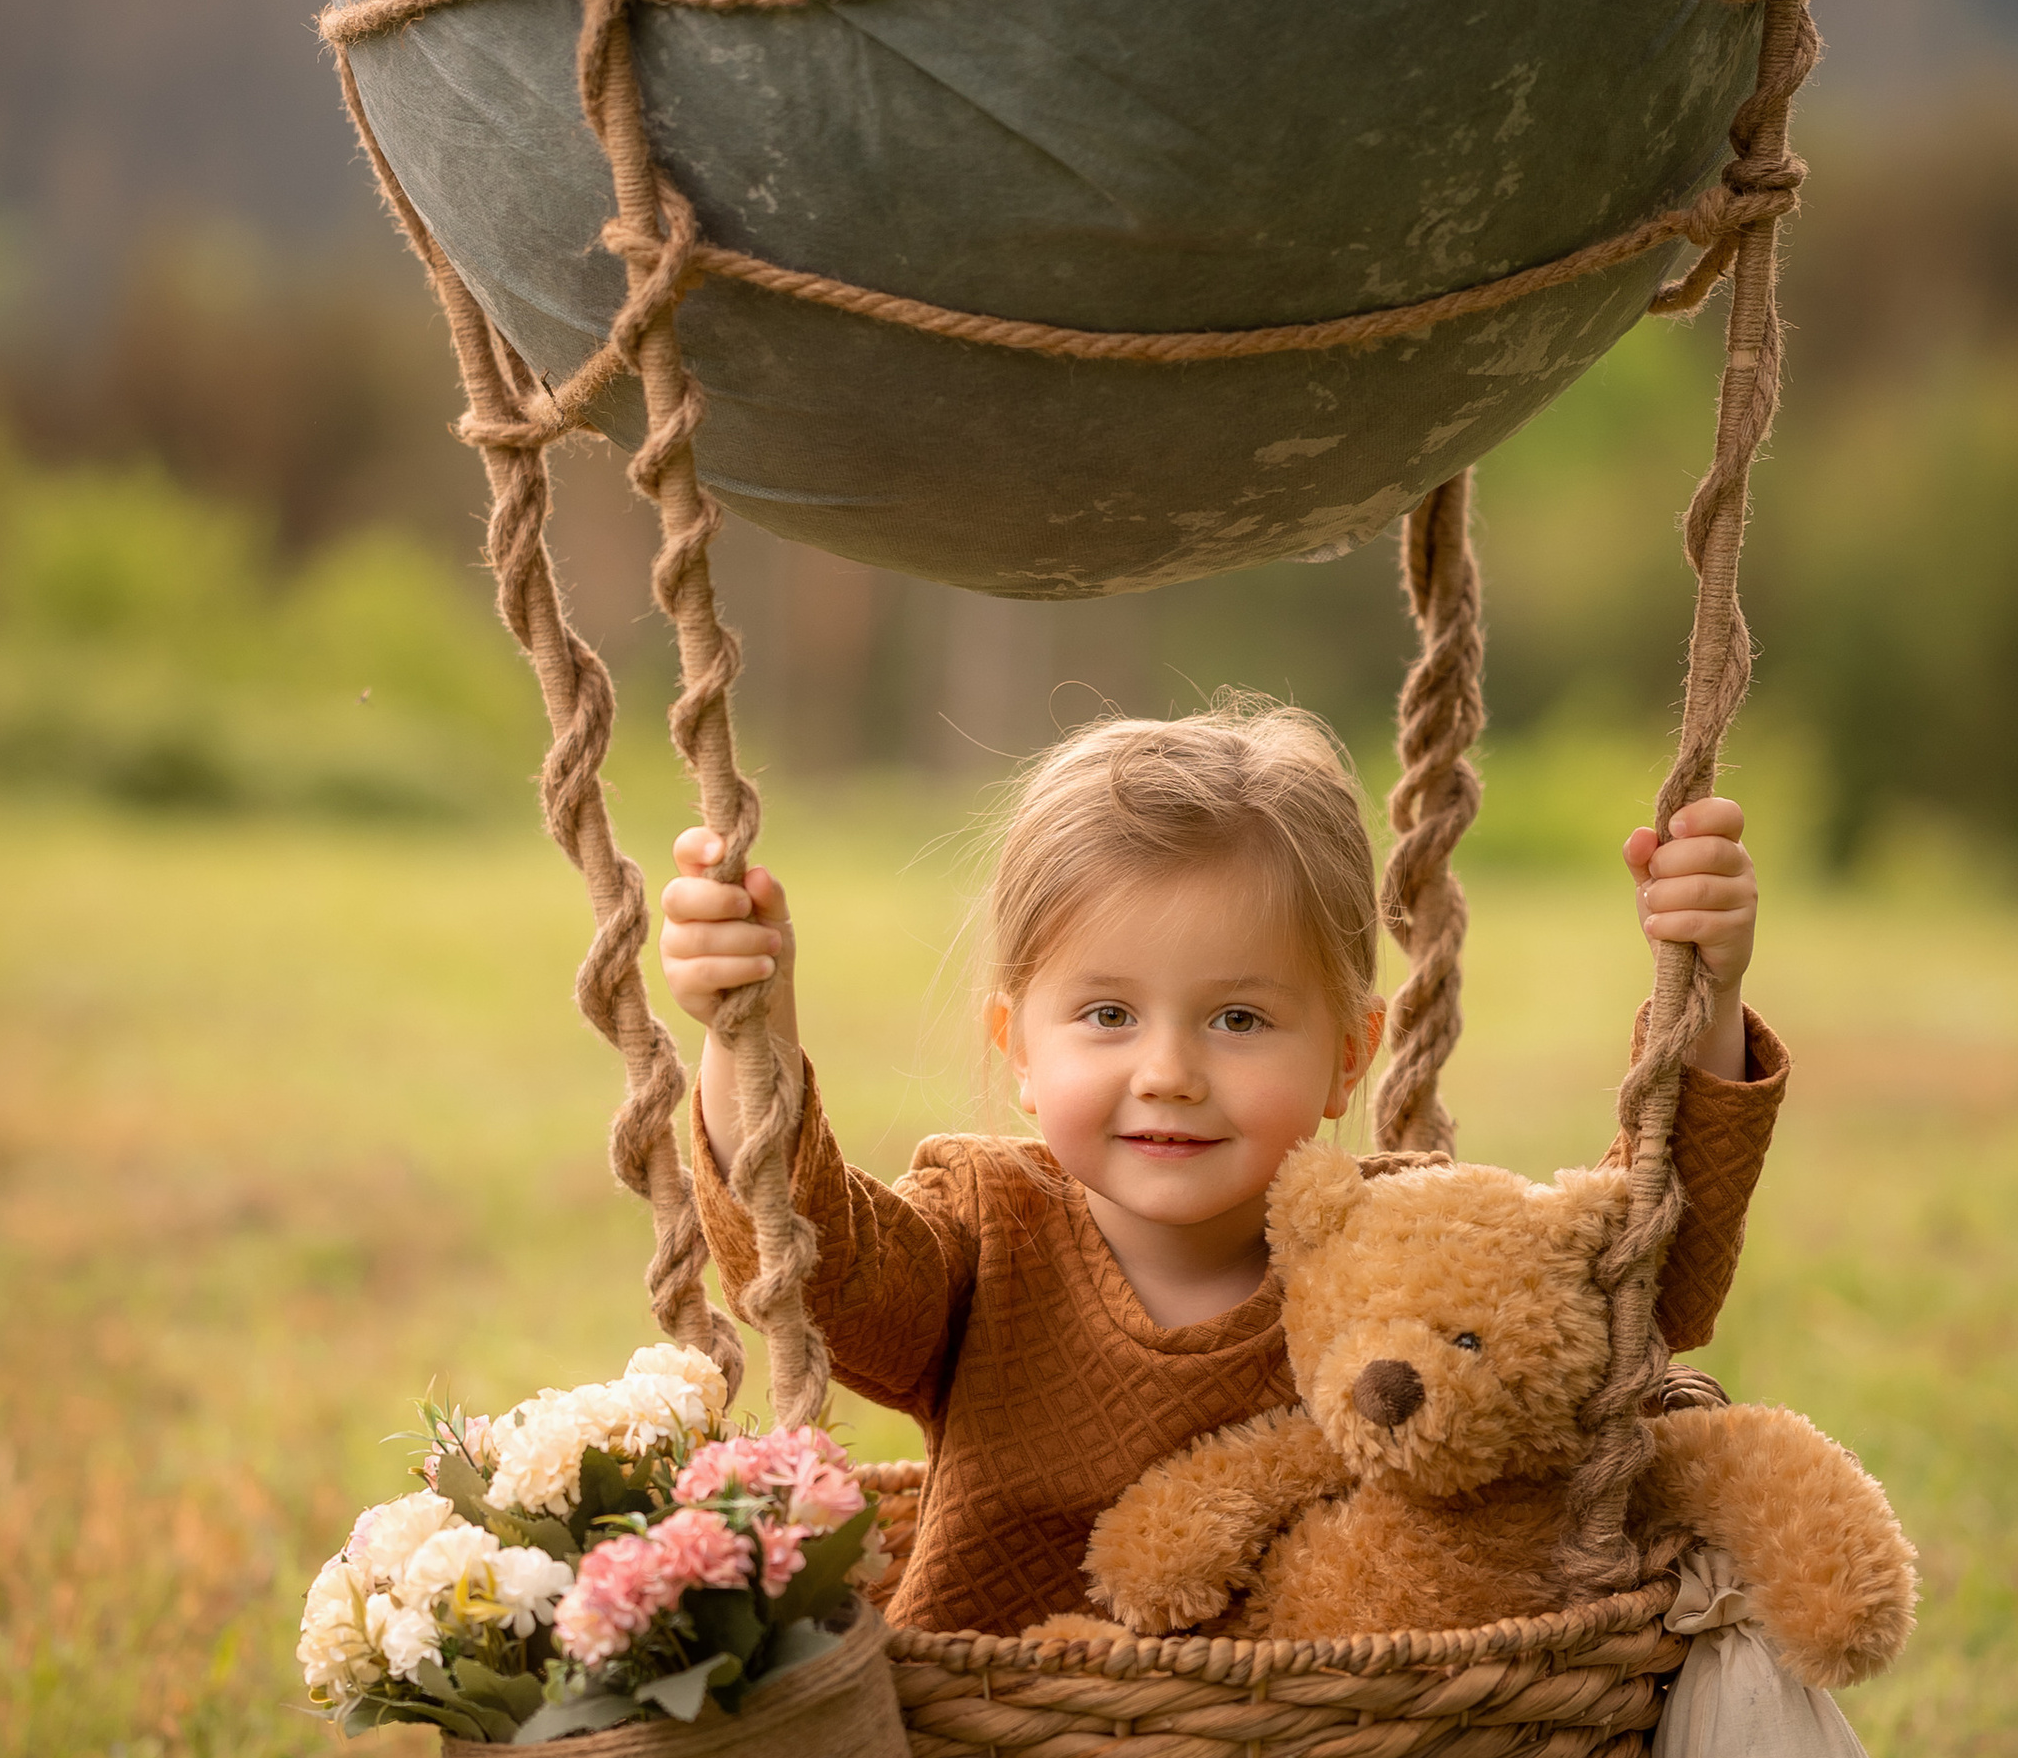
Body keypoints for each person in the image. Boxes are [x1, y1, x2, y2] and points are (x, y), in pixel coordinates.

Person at [660, 700, 1784, 1639]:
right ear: (1018, 1050)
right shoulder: (984, 1227)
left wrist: (1709, 996)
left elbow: (1638, 1276)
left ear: (1350, 1054)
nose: (1168, 1071)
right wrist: (745, 1031)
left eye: (1239, 1017)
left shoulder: (1392, 1244)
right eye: (1105, 1013)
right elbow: (810, 1264)